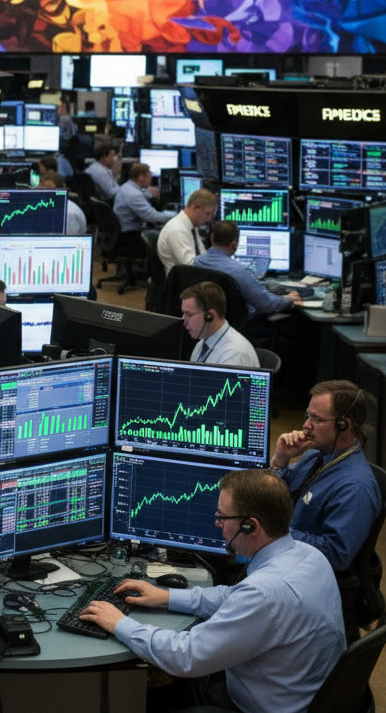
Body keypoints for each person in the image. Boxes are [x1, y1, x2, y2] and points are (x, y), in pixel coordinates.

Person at [78, 468, 346, 713]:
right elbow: (233, 597)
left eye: (222, 517)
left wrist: (120, 623)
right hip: (294, 690)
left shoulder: (264, 594)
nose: (217, 523)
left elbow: (186, 656)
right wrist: (167, 597)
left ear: (250, 526)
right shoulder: (309, 556)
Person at [272, 381, 381, 589]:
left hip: (311, 583)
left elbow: (336, 555)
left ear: (343, 425)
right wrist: (280, 461)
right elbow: (277, 496)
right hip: (286, 563)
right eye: (307, 416)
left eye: (316, 419)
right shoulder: (313, 456)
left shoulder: (355, 486)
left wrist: (275, 532)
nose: (306, 425)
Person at [194, 220, 301, 321]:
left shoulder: (197, 263)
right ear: (234, 245)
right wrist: (288, 299)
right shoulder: (240, 271)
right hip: (241, 326)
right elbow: (266, 305)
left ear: (211, 238)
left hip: (208, 322)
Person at [180, 281, 259, 367]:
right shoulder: (201, 345)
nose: (184, 320)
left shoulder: (234, 354)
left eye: (189, 315)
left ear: (210, 316)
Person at [157, 187, 218, 273]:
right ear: (196, 207)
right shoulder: (177, 230)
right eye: (207, 214)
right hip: (185, 279)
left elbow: (202, 254)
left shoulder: (191, 227)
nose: (208, 219)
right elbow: (190, 266)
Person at [113, 163, 175, 232]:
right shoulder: (134, 194)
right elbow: (153, 217)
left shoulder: (127, 186)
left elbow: (143, 195)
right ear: (141, 177)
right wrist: (177, 214)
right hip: (132, 232)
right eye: (150, 177)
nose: (151, 180)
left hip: (128, 228)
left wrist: (151, 195)